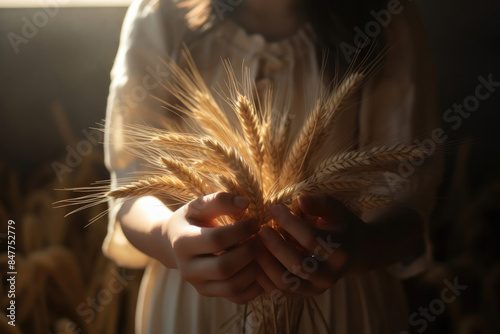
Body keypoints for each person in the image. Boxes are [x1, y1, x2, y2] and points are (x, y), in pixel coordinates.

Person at [102, 0, 443, 332]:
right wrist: (166, 236)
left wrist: (362, 247)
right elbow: (131, 187)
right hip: (195, 299)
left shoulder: (384, 11)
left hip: (342, 302)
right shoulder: (162, 12)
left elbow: (409, 198)